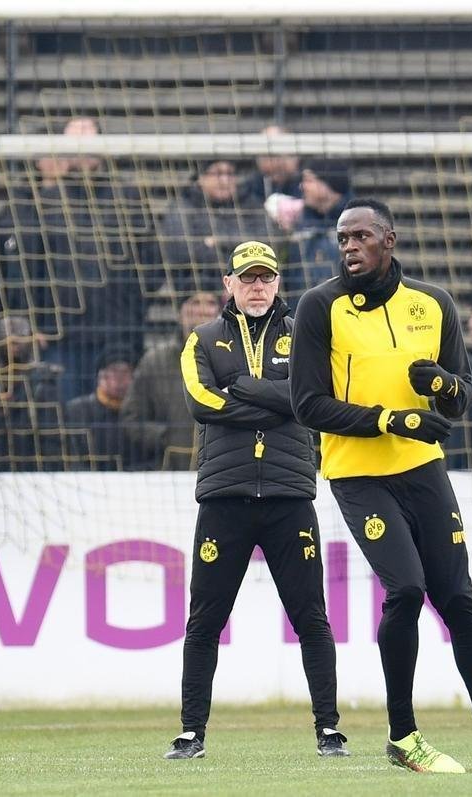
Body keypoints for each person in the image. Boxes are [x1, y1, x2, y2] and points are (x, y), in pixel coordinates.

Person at [291, 198, 472, 775]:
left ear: (388, 240)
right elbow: (308, 405)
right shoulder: (319, 306)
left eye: (361, 236)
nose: (349, 246)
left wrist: (441, 385)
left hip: (423, 470)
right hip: (357, 474)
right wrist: (391, 419)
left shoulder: (433, 303)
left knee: (459, 598)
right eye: (343, 238)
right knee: (408, 589)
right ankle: (404, 737)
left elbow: (461, 397)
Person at [164, 241, 346, 760]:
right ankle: (191, 732)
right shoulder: (202, 339)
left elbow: (314, 399)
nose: (258, 287)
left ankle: (329, 730)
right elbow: (202, 402)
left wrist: (242, 387)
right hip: (225, 498)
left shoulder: (304, 335)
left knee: (311, 617)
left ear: (278, 282)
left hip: (289, 496)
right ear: (230, 284)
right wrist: (279, 402)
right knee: (205, 620)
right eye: (247, 278)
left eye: (266, 277)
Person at [10, 116, 151, 401]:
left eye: (89, 142)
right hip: (62, 337)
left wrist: (131, 313)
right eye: (75, 143)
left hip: (117, 336)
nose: (83, 150)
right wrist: (32, 319)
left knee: (118, 416)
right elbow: (27, 266)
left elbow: (150, 262)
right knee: (65, 415)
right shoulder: (45, 201)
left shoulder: (128, 198)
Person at [121, 291, 221, 470]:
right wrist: (167, 437)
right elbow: (132, 419)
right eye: (195, 302)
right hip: (169, 473)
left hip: (222, 471)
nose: (203, 310)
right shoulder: (155, 362)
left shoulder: (235, 359)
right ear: (179, 313)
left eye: (211, 302)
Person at [157, 159, 282, 297]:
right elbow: (180, 250)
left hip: (250, 281)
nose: (224, 180)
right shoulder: (183, 206)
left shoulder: (251, 204)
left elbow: (269, 240)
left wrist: (218, 241)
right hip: (197, 288)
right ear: (201, 178)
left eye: (230, 174)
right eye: (217, 174)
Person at [0, 314, 65, 473]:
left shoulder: (44, 383)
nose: (13, 343)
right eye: (8, 337)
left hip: (34, 472)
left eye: (19, 337)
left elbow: (52, 441)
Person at [64, 347, 137, 471]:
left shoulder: (144, 411)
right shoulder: (76, 410)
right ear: (100, 377)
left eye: (126, 373)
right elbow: (72, 459)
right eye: (113, 372)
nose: (119, 380)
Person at [288, 159, 354, 295]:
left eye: (309, 180)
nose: (302, 186)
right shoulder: (300, 223)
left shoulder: (356, 224)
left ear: (329, 185)